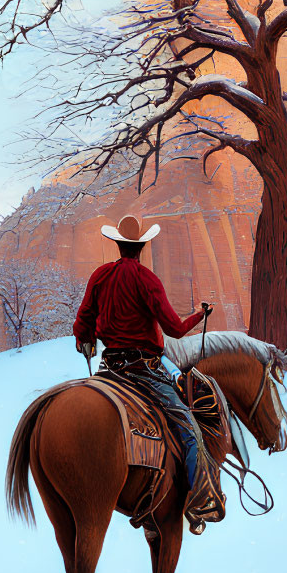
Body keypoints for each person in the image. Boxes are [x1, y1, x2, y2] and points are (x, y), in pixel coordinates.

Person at [72, 214, 220, 534]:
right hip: (144, 369)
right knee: (188, 426)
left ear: (118, 245)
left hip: (110, 368)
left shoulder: (100, 275)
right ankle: (200, 499)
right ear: (141, 247)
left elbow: (84, 317)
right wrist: (200, 314)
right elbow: (174, 330)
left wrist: (85, 341)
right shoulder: (146, 278)